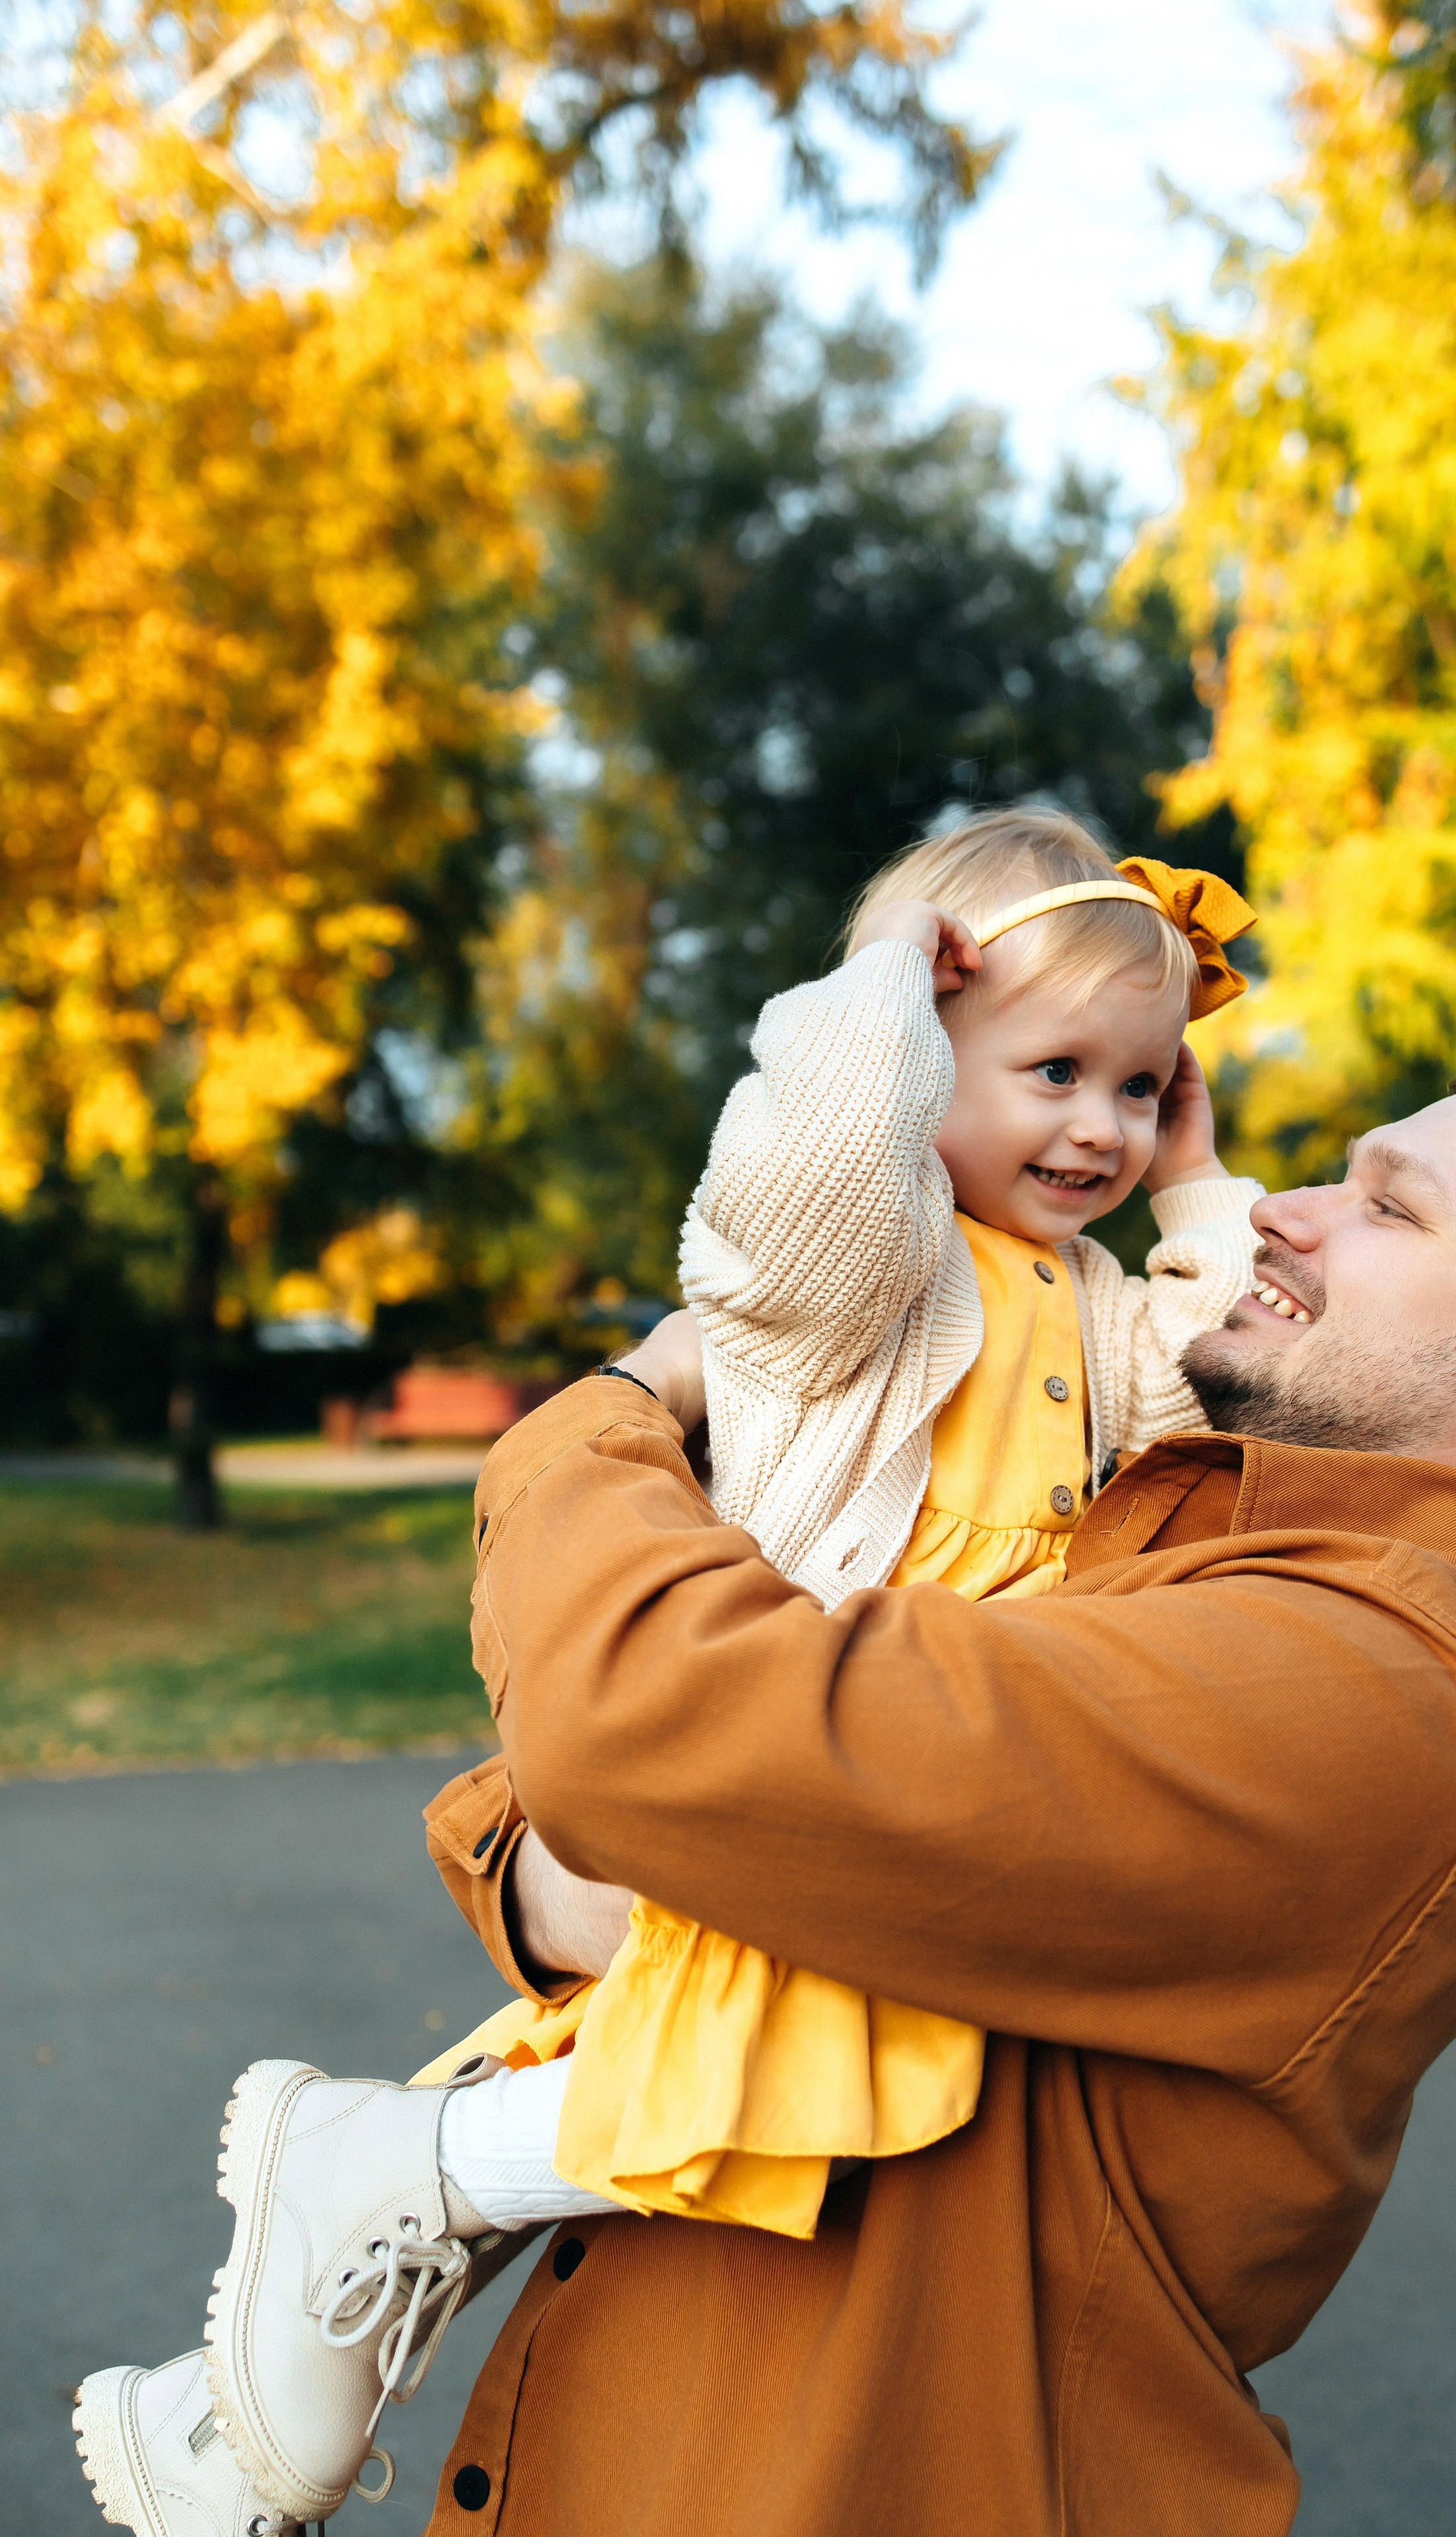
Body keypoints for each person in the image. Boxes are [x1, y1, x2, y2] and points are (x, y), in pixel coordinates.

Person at [75, 812, 1268, 2536]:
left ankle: (237, 2409)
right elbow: (787, 1187)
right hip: (806, 1733)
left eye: (1142, 1087)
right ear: (919, 1058)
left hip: (939, 1761)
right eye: (1055, 1069)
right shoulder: (865, 1273)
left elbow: (1231, 1358)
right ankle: (372, 2190)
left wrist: (1199, 1188)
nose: (1099, 1123)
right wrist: (875, 1009)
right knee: (781, 2093)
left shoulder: (1094, 1302)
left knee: (698, 2103)